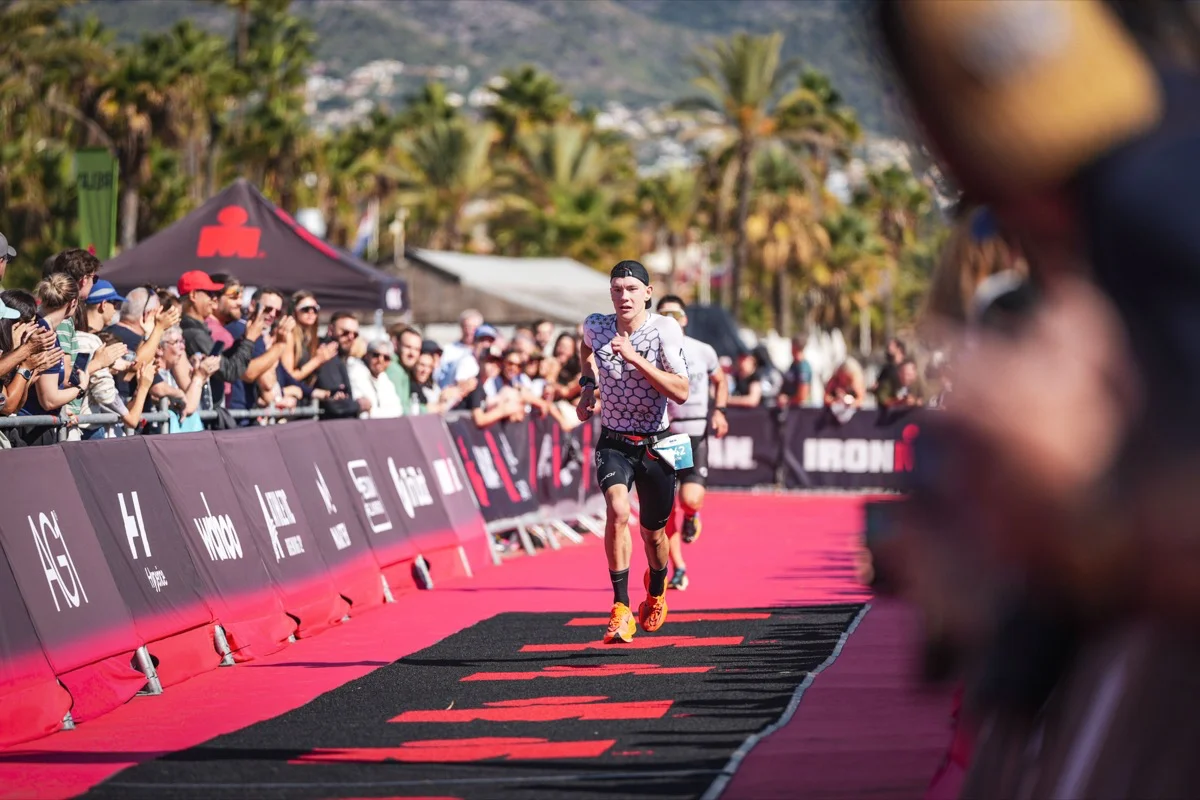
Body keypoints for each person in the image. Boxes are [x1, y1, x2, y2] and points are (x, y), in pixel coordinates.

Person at [578, 260, 689, 643]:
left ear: (648, 292)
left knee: (654, 535)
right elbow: (586, 349)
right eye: (616, 289)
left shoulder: (664, 329)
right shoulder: (596, 325)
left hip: (658, 445)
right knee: (618, 509)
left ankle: (656, 593)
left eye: (630, 289)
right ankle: (621, 608)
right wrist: (587, 387)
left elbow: (681, 391)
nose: (623, 296)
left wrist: (635, 359)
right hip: (615, 441)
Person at [656, 295, 729, 591]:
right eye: (664, 315)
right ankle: (678, 567)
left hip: (695, 430)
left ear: (685, 319)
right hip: (665, 432)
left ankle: (693, 514)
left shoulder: (703, 350)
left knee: (688, 499)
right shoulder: (651, 351)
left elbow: (720, 380)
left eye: (676, 313)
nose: (671, 319)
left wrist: (720, 411)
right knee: (663, 509)